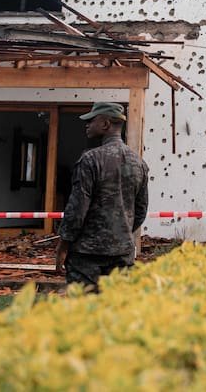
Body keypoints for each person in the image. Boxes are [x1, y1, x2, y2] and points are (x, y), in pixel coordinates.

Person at [56, 102, 149, 292]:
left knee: (85, 312)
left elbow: (77, 210)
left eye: (92, 120)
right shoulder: (139, 163)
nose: (87, 124)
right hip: (122, 254)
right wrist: (120, 232)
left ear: (106, 124)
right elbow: (140, 211)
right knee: (116, 312)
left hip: (86, 256)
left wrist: (63, 244)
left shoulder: (90, 160)